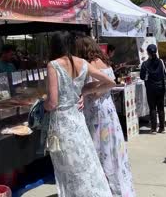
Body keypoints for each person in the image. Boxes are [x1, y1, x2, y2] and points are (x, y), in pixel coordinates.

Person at [44, 31, 115, 197]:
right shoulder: (82, 62)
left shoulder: (53, 65)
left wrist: (43, 106)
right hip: (78, 119)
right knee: (85, 161)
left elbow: (53, 102)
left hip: (62, 122)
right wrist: (86, 90)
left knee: (68, 166)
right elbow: (109, 82)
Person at [75, 36, 136, 196]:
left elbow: (98, 90)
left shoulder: (88, 65)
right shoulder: (105, 61)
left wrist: (86, 91)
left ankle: (104, 187)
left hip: (95, 111)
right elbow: (111, 82)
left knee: (99, 149)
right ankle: (118, 184)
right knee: (113, 148)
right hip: (108, 110)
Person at [140, 44, 166, 134]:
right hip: (160, 87)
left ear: (147, 52)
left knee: (152, 108)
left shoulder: (145, 64)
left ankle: (154, 128)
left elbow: (142, 77)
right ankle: (162, 128)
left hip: (150, 88)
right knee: (161, 108)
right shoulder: (161, 62)